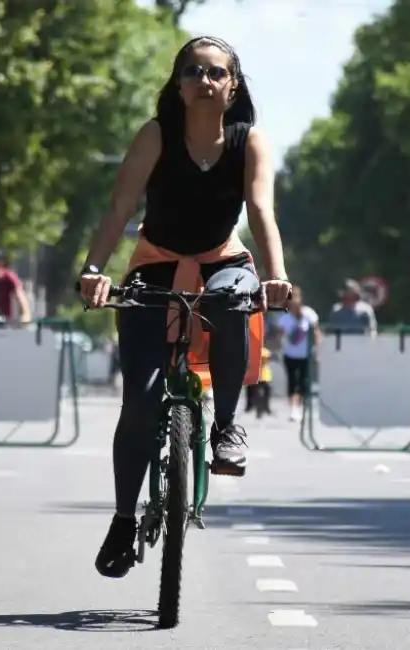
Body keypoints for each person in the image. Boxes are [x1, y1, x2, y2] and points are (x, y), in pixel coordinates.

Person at [77, 35, 292, 579]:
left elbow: (261, 212)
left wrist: (276, 277)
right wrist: (94, 270)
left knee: (228, 300)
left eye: (216, 73)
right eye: (192, 71)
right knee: (141, 403)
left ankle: (225, 429)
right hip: (157, 261)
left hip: (225, 261)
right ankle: (125, 519)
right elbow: (120, 205)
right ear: (177, 84)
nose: (204, 80)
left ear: (233, 85)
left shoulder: (250, 143)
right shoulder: (156, 135)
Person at [276, 285, 320, 422]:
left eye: (296, 297)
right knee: (292, 381)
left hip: (305, 355)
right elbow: (280, 336)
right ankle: (294, 409)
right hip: (290, 354)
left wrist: (318, 349)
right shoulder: (285, 317)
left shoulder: (309, 314)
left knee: (304, 381)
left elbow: (316, 333)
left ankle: (300, 406)